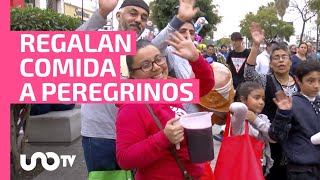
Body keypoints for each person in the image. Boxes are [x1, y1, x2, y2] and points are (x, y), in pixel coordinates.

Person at [78, 0, 197, 173]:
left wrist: (179, 19)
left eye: (143, 17)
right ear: (118, 15)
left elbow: (163, 40)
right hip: (101, 135)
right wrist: (102, 12)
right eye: (132, 13)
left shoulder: (143, 51)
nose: (138, 20)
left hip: (136, 137)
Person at [116, 33, 214, 179]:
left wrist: (196, 59)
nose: (156, 67)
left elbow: (205, 85)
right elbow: (124, 159)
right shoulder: (131, 106)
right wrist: (164, 138)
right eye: (145, 65)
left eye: (158, 59)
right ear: (132, 75)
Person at [244, 22, 299, 180]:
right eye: (276, 57)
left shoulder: (300, 83)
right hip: (272, 140)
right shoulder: (266, 81)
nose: (281, 61)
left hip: (297, 142)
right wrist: (256, 45)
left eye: (284, 57)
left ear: (290, 61)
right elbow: (249, 75)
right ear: (271, 63)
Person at [269, 60, 320, 180]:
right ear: (298, 80)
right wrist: (283, 113)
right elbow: (275, 135)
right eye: (310, 81)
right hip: (301, 170)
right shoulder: (291, 104)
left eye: (319, 80)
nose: (316, 85)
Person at [231, 81, 277, 176]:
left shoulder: (262, 118)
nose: (261, 102)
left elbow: (272, 138)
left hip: (260, 164)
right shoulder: (239, 119)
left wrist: (255, 120)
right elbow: (236, 107)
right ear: (243, 99)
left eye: (263, 99)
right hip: (243, 165)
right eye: (256, 98)